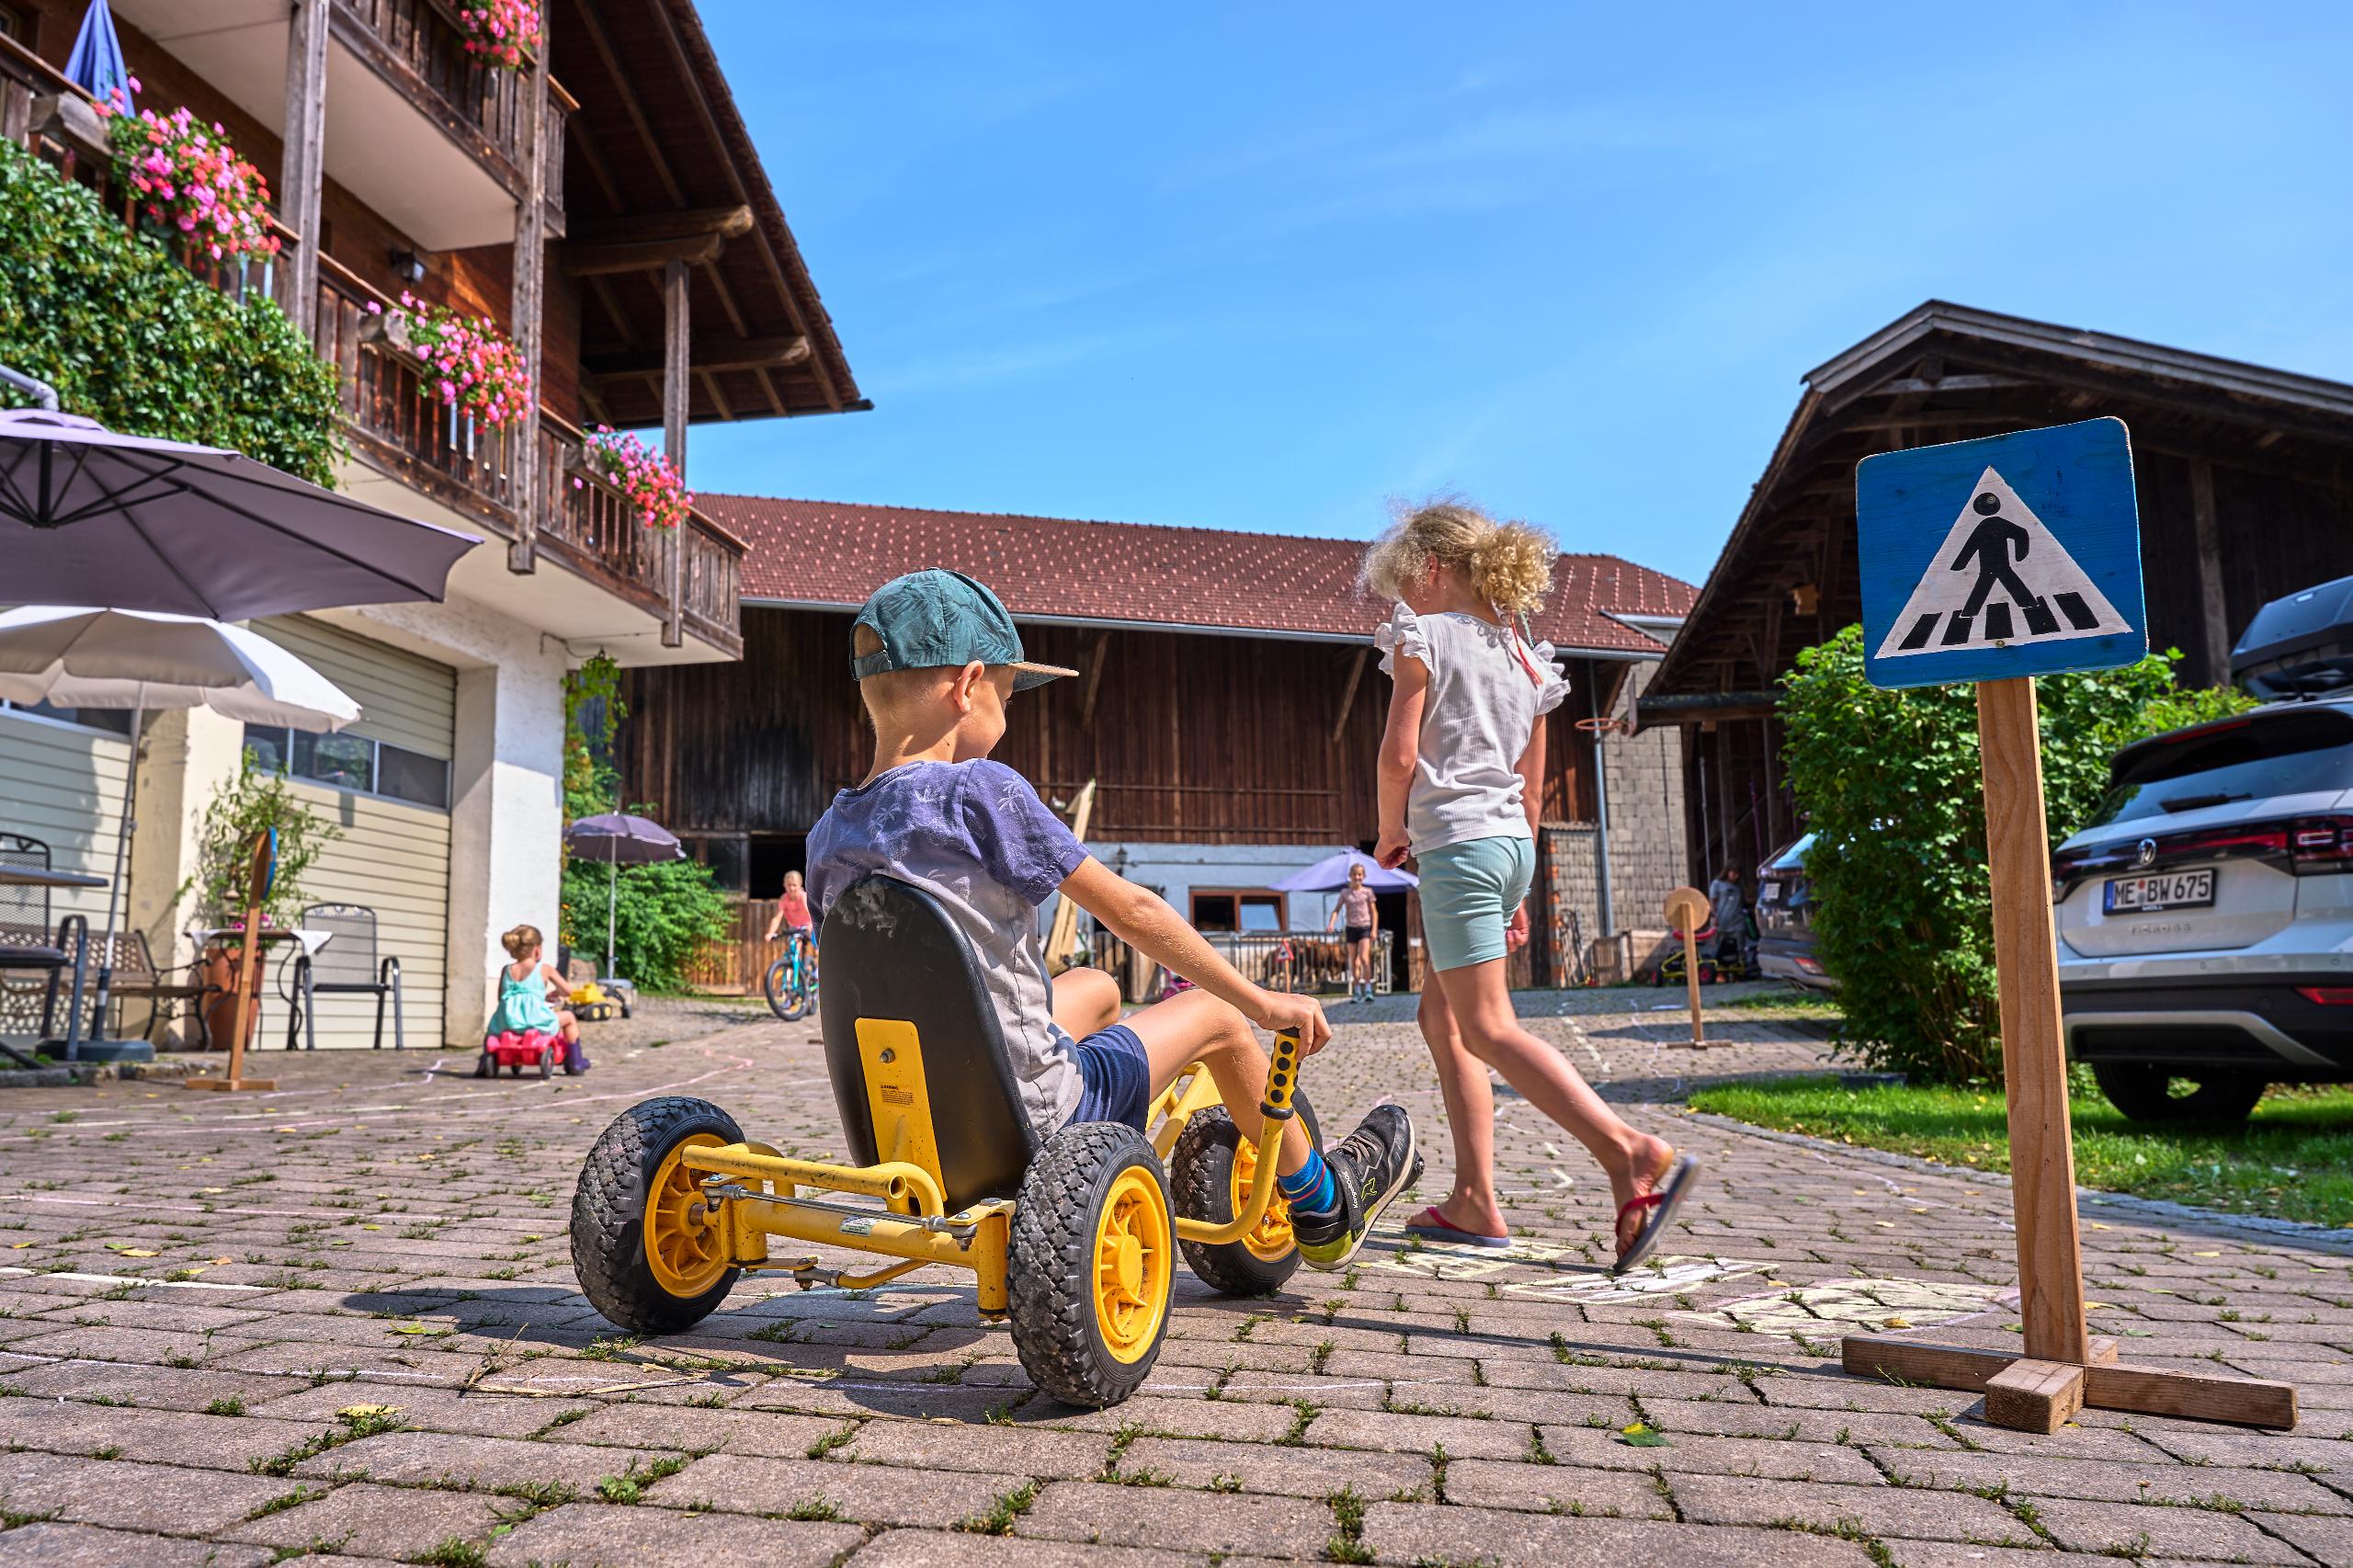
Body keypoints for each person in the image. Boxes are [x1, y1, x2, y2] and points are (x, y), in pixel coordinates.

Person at [806, 569, 1419, 1268]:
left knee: (1097, 986)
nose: (1006, 716)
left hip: (909, 1124)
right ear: (968, 684)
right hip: (1030, 1119)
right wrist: (1261, 999)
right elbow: (1132, 909)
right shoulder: (983, 793)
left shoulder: (831, 830)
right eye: (1006, 697)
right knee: (1218, 1017)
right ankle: (1325, 1204)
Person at [1365, 500, 1699, 1270]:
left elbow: (1397, 755)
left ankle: (1629, 1153)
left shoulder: (1426, 636)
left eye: (1406, 582)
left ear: (1433, 567)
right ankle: (1476, 1200)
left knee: (1488, 1028)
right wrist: (1515, 891)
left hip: (1457, 846)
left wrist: (1390, 830)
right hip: (1511, 847)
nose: (1405, 601)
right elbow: (1532, 785)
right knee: (1442, 1021)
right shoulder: (1526, 658)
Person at [486, 923, 579, 1054]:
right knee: (569, 1017)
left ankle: (486, 1060)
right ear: (537, 948)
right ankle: (575, 1060)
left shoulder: (506, 970)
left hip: (506, 1023)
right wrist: (557, 993)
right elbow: (568, 991)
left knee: (491, 1034)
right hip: (536, 1022)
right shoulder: (544, 969)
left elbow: (501, 998)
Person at [1324, 861, 1381, 1004]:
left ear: (1364, 876)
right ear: (1350, 876)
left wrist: (1374, 930)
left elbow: (1374, 912)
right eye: (1355, 875)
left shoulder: (1368, 892)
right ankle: (1357, 991)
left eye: (1360, 875)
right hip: (1351, 928)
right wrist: (1331, 924)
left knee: (1364, 958)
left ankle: (1368, 989)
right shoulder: (1345, 893)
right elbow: (1336, 910)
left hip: (1364, 927)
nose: (1357, 877)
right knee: (1353, 962)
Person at [1707, 864, 1749, 972]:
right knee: (1721, 948)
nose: (1736, 876)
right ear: (1728, 872)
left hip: (1737, 921)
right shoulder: (1717, 884)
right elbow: (1713, 901)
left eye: (1738, 874)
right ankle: (1721, 972)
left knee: (1739, 947)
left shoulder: (1739, 887)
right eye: (1734, 873)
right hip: (1722, 921)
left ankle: (1740, 970)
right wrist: (1714, 916)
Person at [764, 869, 813, 945]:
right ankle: (795, 956)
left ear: (800, 885)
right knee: (794, 945)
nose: (792, 888)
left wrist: (810, 926)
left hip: (809, 925)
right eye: (789, 885)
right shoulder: (784, 899)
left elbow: (811, 914)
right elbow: (777, 918)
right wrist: (770, 933)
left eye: (794, 885)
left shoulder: (803, 897)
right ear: (784, 885)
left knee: (817, 949)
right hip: (795, 927)